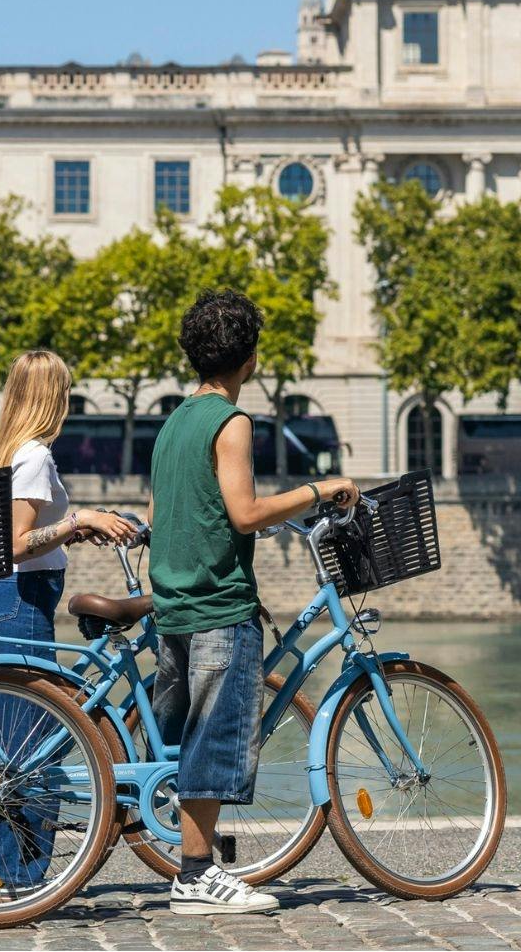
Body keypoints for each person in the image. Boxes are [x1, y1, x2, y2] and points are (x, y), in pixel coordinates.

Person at [148, 289, 357, 916]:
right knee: (213, 742)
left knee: (185, 740)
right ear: (251, 359)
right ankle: (195, 874)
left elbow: (164, 516)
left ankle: (194, 862)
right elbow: (244, 513)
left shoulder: (174, 422)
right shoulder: (231, 422)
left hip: (173, 604)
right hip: (217, 606)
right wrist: (318, 490)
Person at [0, 350, 139, 885]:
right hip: (20, 599)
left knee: (5, 744)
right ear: (52, 397)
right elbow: (17, 544)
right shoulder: (34, 455)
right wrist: (78, 519)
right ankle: (12, 879)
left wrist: (71, 531)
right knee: (29, 750)